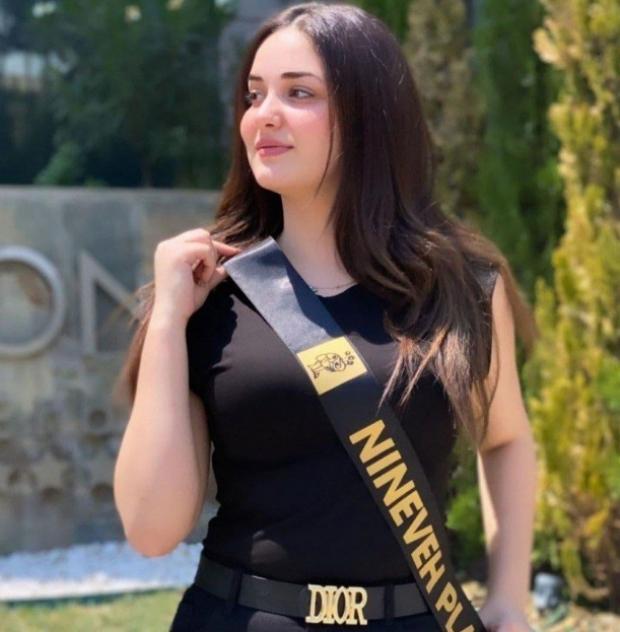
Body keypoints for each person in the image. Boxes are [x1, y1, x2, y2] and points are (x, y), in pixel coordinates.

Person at [113, 2, 538, 630]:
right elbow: (151, 531)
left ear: (370, 115)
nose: (264, 115)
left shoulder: (461, 289)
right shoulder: (209, 296)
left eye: (299, 93)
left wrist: (508, 596)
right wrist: (169, 321)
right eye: (254, 95)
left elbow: (505, 440)